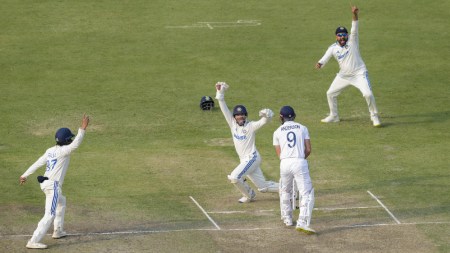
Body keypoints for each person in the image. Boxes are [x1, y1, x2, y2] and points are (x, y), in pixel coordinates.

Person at [19, 114, 90, 249]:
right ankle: (33, 240)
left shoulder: (50, 150)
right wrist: (83, 127)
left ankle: (58, 231)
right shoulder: (65, 151)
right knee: (49, 214)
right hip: (53, 186)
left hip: (46, 183)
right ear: (67, 140)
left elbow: (38, 162)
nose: (71, 140)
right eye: (70, 138)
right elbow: (76, 144)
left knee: (61, 201)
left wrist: (25, 175)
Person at [315, 6, 381, 127]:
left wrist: (355, 14)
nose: (342, 37)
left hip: (359, 73)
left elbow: (354, 26)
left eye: (344, 35)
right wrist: (320, 63)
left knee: (368, 94)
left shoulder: (353, 40)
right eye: (339, 35)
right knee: (330, 93)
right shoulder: (333, 48)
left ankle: (374, 116)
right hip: (344, 76)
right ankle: (334, 116)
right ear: (336, 37)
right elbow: (326, 57)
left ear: (347, 35)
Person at [215, 82, 279, 203]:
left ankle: (249, 194)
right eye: (238, 115)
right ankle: (290, 190)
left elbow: (264, 121)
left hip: (252, 158)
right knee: (263, 187)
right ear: (234, 117)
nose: (241, 117)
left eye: (243, 115)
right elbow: (223, 107)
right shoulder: (232, 124)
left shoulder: (250, 126)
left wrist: (267, 115)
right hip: (244, 160)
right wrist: (220, 93)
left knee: (234, 177)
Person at [273, 106, 315, 234]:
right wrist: (300, 158)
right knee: (306, 193)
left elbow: (279, 154)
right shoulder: (302, 128)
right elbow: (308, 149)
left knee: (285, 190)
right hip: (299, 161)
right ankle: (302, 221)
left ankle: (287, 218)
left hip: (284, 163)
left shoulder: (277, 132)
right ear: (294, 115)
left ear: (281, 117)